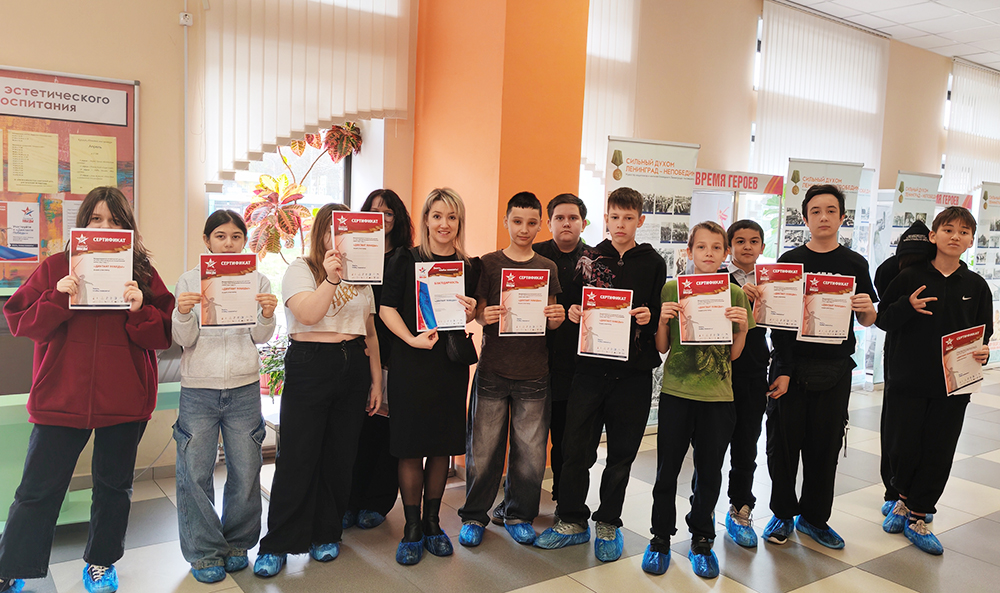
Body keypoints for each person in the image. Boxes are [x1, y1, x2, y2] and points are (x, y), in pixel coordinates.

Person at [0, 187, 174, 593]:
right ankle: (11, 567)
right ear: (82, 224)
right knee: (37, 490)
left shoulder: (143, 273)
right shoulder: (55, 267)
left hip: (124, 401)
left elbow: (164, 335)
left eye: (115, 220)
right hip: (60, 398)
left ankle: (101, 563)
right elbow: (21, 323)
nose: (105, 227)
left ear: (127, 227)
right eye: (96, 219)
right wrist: (57, 297)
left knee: (113, 489)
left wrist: (140, 310)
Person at [534, 187, 666, 563]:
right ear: (605, 219)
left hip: (633, 374)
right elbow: (571, 304)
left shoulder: (653, 262)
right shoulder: (589, 258)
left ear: (640, 220)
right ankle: (572, 519)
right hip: (589, 370)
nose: (621, 224)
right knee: (576, 449)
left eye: (629, 218)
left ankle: (608, 521)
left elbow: (659, 314)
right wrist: (574, 312)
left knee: (622, 454)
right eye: (615, 217)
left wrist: (650, 316)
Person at [253, 203, 382, 578]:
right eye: (334, 231)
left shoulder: (364, 275)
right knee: (298, 456)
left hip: (353, 364)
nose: (341, 240)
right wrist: (331, 278)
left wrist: (376, 381)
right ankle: (277, 543)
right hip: (310, 363)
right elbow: (308, 314)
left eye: (350, 233)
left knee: (340, 456)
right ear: (321, 234)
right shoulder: (301, 268)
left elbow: (370, 332)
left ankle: (326, 534)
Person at [746, 184, 877, 550]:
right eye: (816, 211)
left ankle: (815, 519)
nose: (823, 217)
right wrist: (783, 369)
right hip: (789, 367)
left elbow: (867, 319)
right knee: (783, 445)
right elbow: (778, 324)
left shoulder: (855, 264)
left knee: (825, 446)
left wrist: (867, 308)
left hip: (835, 369)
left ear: (842, 217)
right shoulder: (789, 261)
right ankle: (783, 513)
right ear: (805, 218)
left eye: (831, 210)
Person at [875, 207, 991, 555]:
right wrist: (906, 306)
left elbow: (983, 333)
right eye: (948, 229)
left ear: (971, 240)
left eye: (964, 232)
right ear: (933, 235)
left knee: (939, 450)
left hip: (953, 386)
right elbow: (882, 319)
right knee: (902, 446)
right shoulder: (910, 277)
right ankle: (901, 498)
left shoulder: (976, 285)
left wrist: (984, 351)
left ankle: (919, 515)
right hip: (907, 380)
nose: (956, 236)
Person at [171, 210, 278, 583]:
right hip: (198, 389)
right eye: (220, 236)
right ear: (207, 241)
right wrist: (183, 313)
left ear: (244, 241)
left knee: (246, 470)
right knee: (195, 473)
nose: (228, 243)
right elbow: (184, 339)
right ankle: (203, 554)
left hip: (244, 387)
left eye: (236, 236)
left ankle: (237, 545)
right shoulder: (189, 280)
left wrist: (267, 315)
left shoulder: (257, 279)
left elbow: (260, 337)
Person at [643, 221, 751, 578]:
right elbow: (662, 348)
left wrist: (742, 328)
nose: (708, 253)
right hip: (677, 392)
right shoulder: (672, 288)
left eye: (716, 247)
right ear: (689, 252)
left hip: (718, 396)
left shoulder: (734, 294)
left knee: (709, 471)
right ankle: (660, 537)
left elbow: (734, 355)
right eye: (701, 247)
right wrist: (663, 321)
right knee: (667, 471)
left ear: (725, 253)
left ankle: (702, 538)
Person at [379, 188, 479, 565]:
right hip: (410, 362)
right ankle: (411, 528)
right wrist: (410, 339)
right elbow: (386, 309)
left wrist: (471, 311)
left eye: (451, 217)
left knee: (440, 446)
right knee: (409, 446)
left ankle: (433, 524)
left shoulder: (468, 266)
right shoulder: (404, 260)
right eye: (437, 216)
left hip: (448, 367)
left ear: (459, 222)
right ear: (425, 220)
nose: (444, 224)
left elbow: (471, 313)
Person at [457, 192, 564, 546]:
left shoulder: (547, 267)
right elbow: (477, 313)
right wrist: (482, 315)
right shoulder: (488, 264)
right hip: (493, 370)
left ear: (540, 225)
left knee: (530, 454)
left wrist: (557, 317)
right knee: (483, 450)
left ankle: (518, 515)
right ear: (506, 221)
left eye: (531, 223)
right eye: (517, 221)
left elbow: (551, 319)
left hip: (534, 373)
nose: (524, 229)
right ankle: (474, 517)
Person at [342, 190, 413, 531]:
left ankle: (377, 502)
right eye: (373, 212)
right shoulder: (349, 256)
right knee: (354, 431)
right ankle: (349, 500)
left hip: (394, 355)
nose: (381, 219)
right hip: (355, 351)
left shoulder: (406, 258)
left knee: (384, 431)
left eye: (388, 213)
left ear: (397, 220)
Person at [872, 221, 935, 523]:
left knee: (926, 436)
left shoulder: (941, 272)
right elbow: (883, 316)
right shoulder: (888, 270)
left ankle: (917, 497)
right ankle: (893, 493)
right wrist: (905, 306)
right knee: (895, 430)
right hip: (899, 353)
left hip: (931, 360)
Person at [529, 194, 588, 507]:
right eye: (560, 218)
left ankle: (564, 499)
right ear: (548, 223)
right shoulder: (533, 256)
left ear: (583, 223)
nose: (567, 223)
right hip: (534, 361)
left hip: (577, 365)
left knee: (568, 439)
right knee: (528, 438)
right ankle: (519, 498)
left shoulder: (595, 261)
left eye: (573, 218)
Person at [721, 220, 771, 548]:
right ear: (730, 247)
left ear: (762, 247)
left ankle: (741, 507)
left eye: (754, 241)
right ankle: (701, 512)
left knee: (746, 445)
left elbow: (784, 328)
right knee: (710, 449)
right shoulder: (716, 280)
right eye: (740, 241)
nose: (747, 246)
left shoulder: (772, 282)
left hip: (753, 373)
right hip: (717, 374)